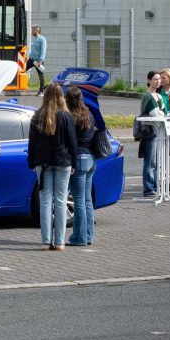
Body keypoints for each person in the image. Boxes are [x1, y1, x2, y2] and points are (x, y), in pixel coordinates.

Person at [28, 83, 77, 251]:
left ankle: (45, 241)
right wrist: (74, 163)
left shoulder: (37, 116)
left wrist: (31, 162)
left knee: (46, 201)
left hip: (43, 162)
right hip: (63, 161)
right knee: (61, 201)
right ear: (61, 97)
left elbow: (32, 143)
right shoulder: (66, 116)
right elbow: (72, 142)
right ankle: (60, 242)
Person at [66, 86, 95, 246]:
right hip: (90, 158)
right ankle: (89, 235)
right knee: (87, 200)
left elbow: (70, 141)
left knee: (78, 200)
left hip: (78, 159)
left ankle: (79, 237)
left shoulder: (71, 117)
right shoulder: (89, 115)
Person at [138, 70, 165, 197]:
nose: (158, 81)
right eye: (155, 79)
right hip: (150, 132)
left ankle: (154, 186)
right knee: (150, 161)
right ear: (148, 81)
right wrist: (161, 112)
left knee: (156, 161)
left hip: (158, 131)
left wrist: (161, 112)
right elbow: (157, 113)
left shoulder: (158, 96)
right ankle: (148, 188)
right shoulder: (147, 96)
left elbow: (164, 113)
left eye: (159, 79)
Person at [26, 25, 47, 94]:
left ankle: (41, 91)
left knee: (40, 76)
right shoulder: (34, 38)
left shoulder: (42, 39)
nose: (32, 31)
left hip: (38, 61)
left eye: (33, 30)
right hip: (31, 59)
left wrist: (40, 60)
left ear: (37, 31)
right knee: (22, 70)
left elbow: (43, 50)